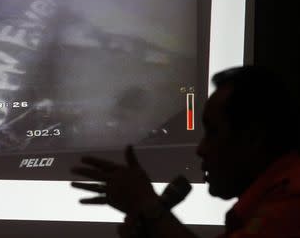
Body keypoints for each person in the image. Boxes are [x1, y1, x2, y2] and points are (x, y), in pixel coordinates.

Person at [71, 65, 300, 238]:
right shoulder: (261, 209)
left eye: (212, 132)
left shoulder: (291, 203)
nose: (200, 150)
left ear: (253, 137)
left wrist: (149, 208)